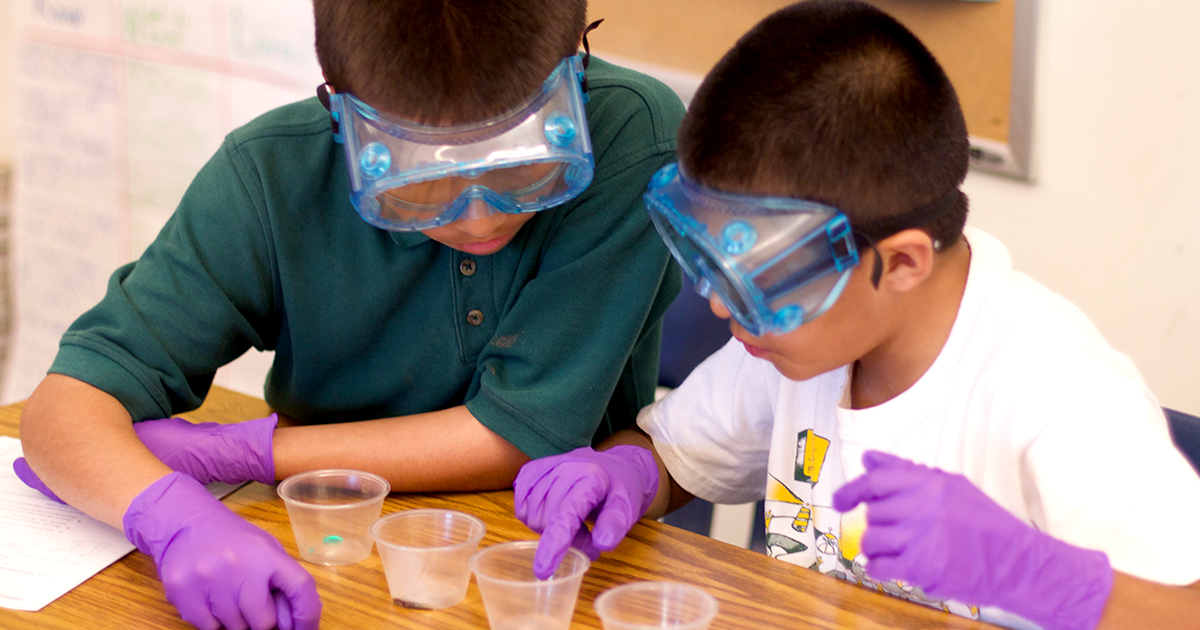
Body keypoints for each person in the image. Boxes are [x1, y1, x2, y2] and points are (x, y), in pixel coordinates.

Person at [511, 2, 1200, 629]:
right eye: (716, 266)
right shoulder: (800, 346)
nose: (722, 306)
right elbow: (682, 457)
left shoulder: (1060, 392)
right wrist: (624, 473)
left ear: (900, 263)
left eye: (762, 281)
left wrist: (1040, 576)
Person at [14, 1, 685, 629]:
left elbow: (515, 434)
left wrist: (245, 452)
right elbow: (63, 407)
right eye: (419, 175)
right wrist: (165, 514)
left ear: (578, 59)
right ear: (340, 111)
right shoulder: (269, 174)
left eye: (522, 164)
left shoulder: (629, 134)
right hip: (325, 552)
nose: (482, 216)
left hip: (552, 573)